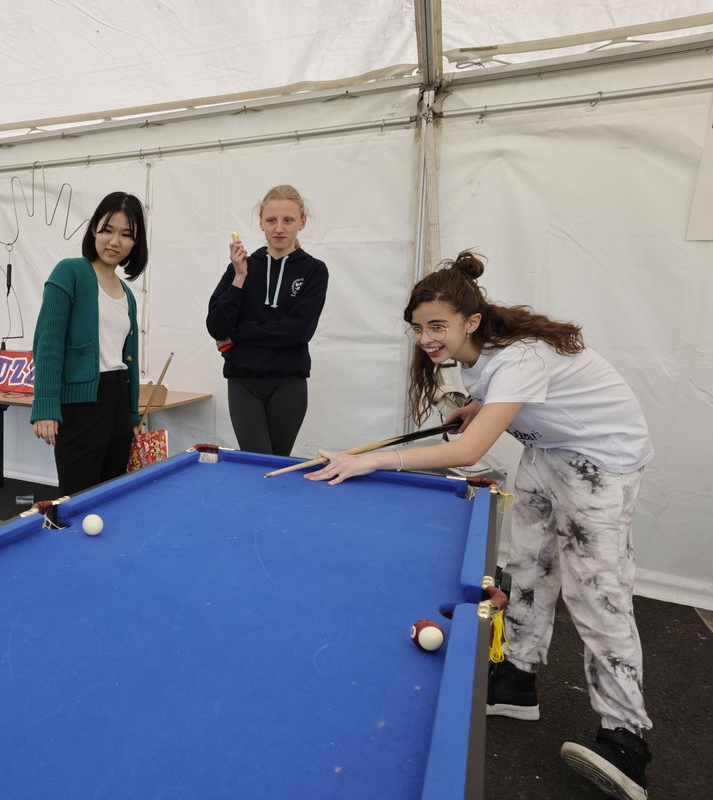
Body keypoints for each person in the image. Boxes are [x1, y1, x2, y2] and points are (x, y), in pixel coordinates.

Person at [308, 251, 654, 800]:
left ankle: (626, 737)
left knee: (597, 591)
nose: (426, 338)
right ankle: (517, 679)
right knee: (528, 566)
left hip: (602, 461)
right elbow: (498, 399)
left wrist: (369, 460)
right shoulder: (480, 357)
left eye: (437, 326)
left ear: (471, 320)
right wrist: (477, 404)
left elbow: (469, 451)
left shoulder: (521, 358)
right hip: (551, 451)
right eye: (419, 328)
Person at [30, 191, 149, 496]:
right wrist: (45, 405)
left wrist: (133, 416)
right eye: (107, 230)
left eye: (126, 234)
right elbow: (48, 343)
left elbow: (128, 361)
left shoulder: (127, 294)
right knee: (77, 496)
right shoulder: (69, 273)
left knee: (112, 496)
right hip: (81, 404)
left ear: (135, 242)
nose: (114, 241)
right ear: (94, 229)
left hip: (118, 402)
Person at [206, 185, 329, 457]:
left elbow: (298, 331)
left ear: (302, 222)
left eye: (288, 220)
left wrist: (238, 335)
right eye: (271, 220)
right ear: (261, 223)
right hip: (243, 381)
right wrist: (238, 279)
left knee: (276, 463)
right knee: (256, 461)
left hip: (288, 382)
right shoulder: (240, 267)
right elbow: (216, 327)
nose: (279, 228)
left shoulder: (314, 270)